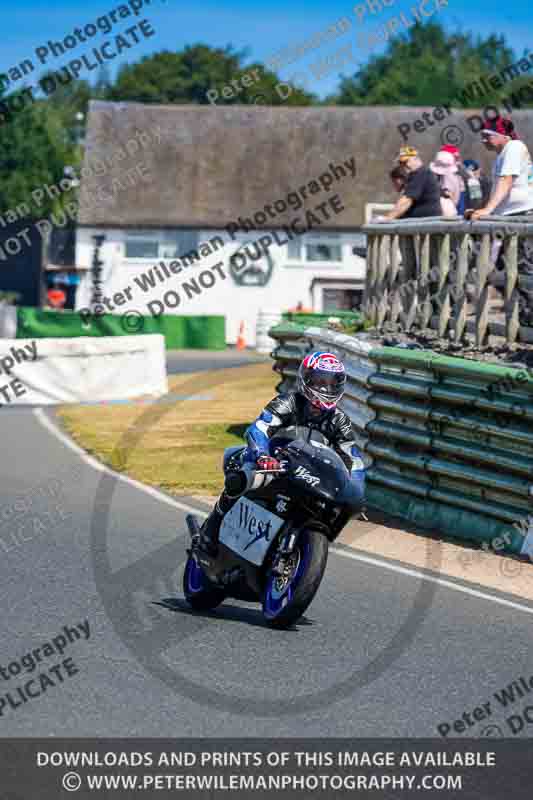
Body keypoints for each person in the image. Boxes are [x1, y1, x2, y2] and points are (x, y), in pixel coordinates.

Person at [198, 351, 366, 556]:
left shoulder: (340, 421)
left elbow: (354, 460)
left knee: (338, 507)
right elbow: (258, 429)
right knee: (241, 475)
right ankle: (211, 530)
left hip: (308, 472)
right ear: (306, 379)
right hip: (274, 461)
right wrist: (261, 455)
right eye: (320, 381)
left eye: (332, 383)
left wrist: (356, 489)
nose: (325, 388)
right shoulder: (288, 402)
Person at [467, 114, 533, 324]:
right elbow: (500, 189)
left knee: (523, 271)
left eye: (488, 135)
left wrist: (488, 209)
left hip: (521, 217)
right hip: (510, 219)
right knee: (509, 272)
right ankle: (523, 318)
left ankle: (527, 319)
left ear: (503, 135)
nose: (483, 140)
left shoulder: (514, 148)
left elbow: (506, 181)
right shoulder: (504, 153)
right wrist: (484, 209)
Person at [381, 147, 441, 221]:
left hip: (426, 224)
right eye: (401, 163)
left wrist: (387, 218)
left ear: (416, 158)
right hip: (423, 223)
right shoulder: (418, 174)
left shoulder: (421, 174)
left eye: (405, 161)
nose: (403, 165)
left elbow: (406, 201)